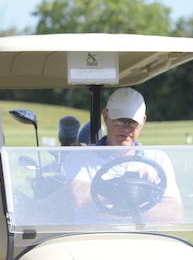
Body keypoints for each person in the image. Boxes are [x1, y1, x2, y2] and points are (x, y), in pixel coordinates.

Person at [69, 87, 183, 222]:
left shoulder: (158, 159)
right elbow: (78, 196)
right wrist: (137, 192)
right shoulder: (81, 156)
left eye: (132, 123)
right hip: (94, 238)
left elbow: (175, 213)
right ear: (106, 116)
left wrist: (122, 208)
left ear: (143, 121)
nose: (126, 129)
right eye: (120, 121)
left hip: (140, 239)